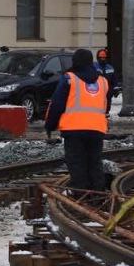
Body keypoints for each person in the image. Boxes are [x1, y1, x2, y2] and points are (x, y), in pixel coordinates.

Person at [46, 49, 110, 194]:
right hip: (96, 129)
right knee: (94, 162)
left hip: (73, 129)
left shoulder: (69, 78)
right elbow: (104, 106)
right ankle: (98, 194)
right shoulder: (103, 81)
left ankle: (80, 194)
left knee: (76, 163)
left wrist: (50, 125)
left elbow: (57, 104)